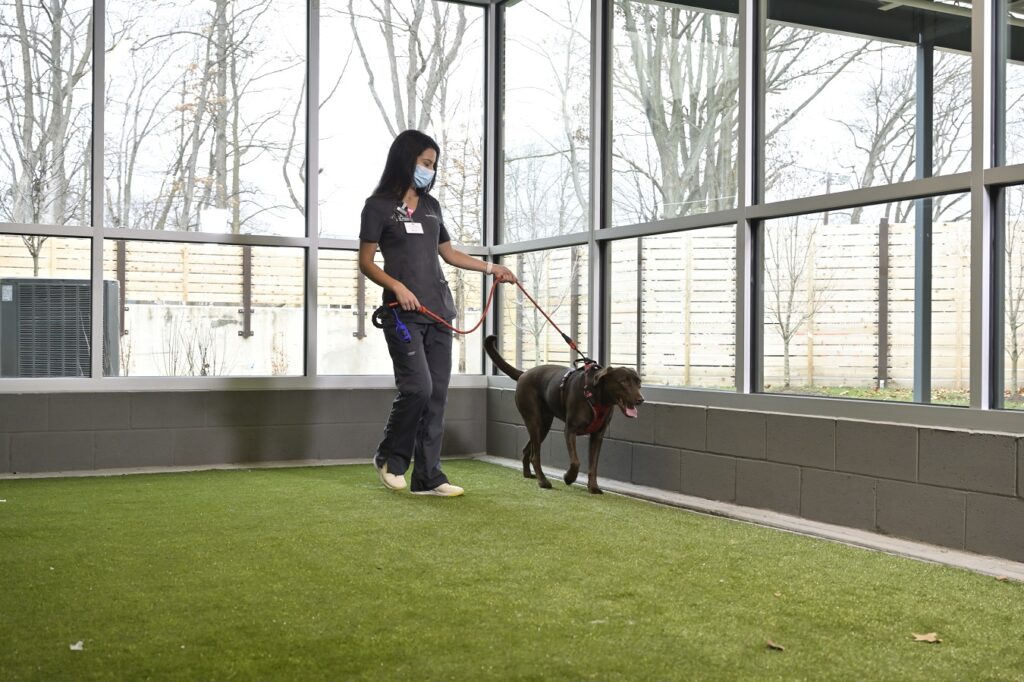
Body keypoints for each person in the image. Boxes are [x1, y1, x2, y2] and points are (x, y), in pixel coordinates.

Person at [358, 130, 516, 496]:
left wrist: (492, 269)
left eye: (433, 165)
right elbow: (366, 262)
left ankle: (428, 476)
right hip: (402, 313)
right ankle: (389, 458)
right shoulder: (378, 205)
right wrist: (397, 286)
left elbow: (449, 254)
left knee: (437, 395)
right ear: (406, 159)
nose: (430, 170)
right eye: (425, 163)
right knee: (418, 387)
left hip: (439, 312)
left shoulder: (431, 207)